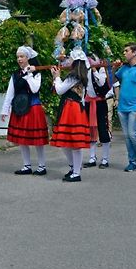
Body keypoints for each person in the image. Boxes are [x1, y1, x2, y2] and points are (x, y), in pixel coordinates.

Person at [0, 46, 49, 176]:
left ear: (28, 58)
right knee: (22, 140)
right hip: (19, 108)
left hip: (33, 107)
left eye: (22, 56)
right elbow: (10, 93)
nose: (19, 59)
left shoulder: (36, 72)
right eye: (18, 57)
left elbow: (35, 89)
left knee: (37, 140)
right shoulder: (15, 75)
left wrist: (28, 74)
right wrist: (5, 110)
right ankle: (26, 165)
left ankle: (41, 166)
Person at [50, 49, 91, 182]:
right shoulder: (80, 75)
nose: (69, 61)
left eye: (71, 59)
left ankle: (76, 171)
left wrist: (56, 76)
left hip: (71, 109)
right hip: (73, 108)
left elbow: (60, 90)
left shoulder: (74, 76)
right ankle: (74, 168)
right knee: (67, 142)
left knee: (73, 143)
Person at [114, 42, 136, 172]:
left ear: (134, 52)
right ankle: (132, 161)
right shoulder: (124, 68)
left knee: (133, 134)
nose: (124, 53)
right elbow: (112, 80)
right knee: (127, 136)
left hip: (135, 106)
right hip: (123, 107)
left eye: (126, 50)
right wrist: (114, 68)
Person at [83, 59, 111, 169]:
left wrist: (94, 70)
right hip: (88, 103)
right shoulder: (85, 71)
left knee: (103, 129)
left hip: (100, 103)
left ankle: (105, 159)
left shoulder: (101, 69)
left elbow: (102, 83)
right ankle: (92, 157)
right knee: (90, 130)